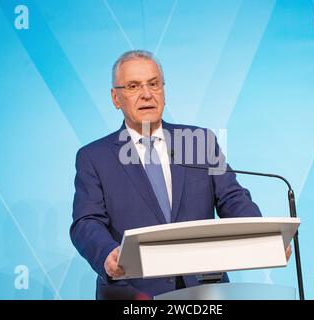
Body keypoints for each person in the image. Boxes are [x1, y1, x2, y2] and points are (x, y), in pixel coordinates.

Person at [70, 50, 288, 300]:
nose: (146, 94)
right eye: (133, 86)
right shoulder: (95, 157)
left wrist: (264, 240)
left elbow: (233, 199)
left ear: (163, 90)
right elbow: (86, 221)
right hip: (134, 292)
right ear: (115, 98)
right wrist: (107, 253)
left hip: (204, 292)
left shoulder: (198, 142)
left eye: (154, 84)